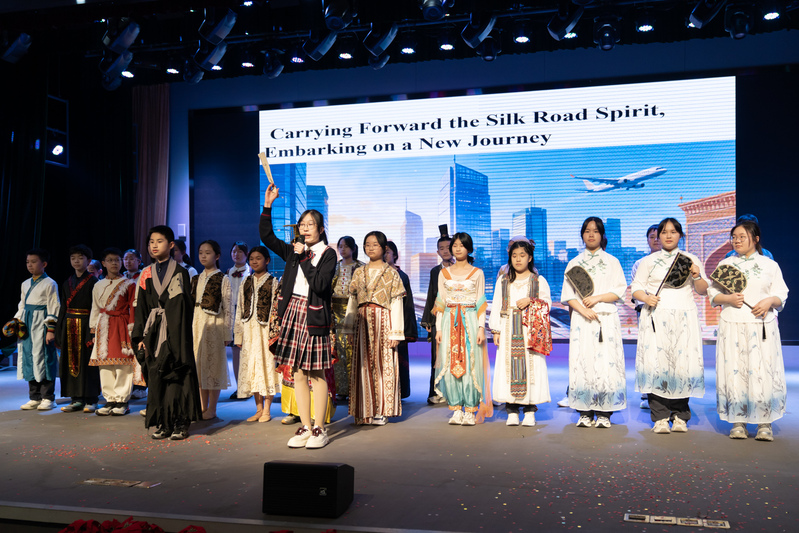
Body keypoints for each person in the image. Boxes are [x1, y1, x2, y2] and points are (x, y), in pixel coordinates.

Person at [260, 184, 337, 449]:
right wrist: (268, 205)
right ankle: (305, 425)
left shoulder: (328, 254)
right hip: (293, 311)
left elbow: (320, 285)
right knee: (299, 373)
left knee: (317, 373)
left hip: (314, 316)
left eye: (310, 224)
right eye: (302, 224)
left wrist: (303, 256)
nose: (305, 228)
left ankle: (319, 428)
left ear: (321, 229)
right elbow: (267, 237)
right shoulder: (294, 250)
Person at [708, 220, 788, 441]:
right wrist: (728, 299)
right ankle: (738, 420)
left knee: (762, 371)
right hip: (732, 324)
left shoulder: (769, 265)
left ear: (756, 238)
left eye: (742, 236)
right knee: (735, 370)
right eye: (734, 237)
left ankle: (764, 422)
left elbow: (781, 293)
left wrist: (769, 301)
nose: (737, 241)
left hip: (761, 326)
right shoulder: (726, 264)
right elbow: (713, 293)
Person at [632, 217, 708, 434]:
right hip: (656, 316)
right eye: (664, 232)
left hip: (684, 317)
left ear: (680, 235)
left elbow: (703, 290)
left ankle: (680, 415)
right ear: (658, 236)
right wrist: (646, 298)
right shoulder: (648, 261)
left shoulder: (690, 259)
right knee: (657, 364)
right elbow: (636, 288)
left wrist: (697, 275)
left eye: (673, 232)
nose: (668, 236)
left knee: (681, 365)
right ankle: (660, 417)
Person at [132, 225, 202, 440]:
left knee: (177, 374)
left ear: (171, 245)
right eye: (151, 242)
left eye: (159, 241)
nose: (154, 245)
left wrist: (175, 336)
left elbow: (181, 306)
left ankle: (180, 421)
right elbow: (141, 307)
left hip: (176, 331)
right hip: (153, 331)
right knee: (156, 375)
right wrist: (141, 337)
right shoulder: (146, 273)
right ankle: (164, 422)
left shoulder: (180, 272)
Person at [561, 217, 628, 428]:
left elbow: (620, 291)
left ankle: (605, 412)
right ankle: (584, 412)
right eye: (587, 231)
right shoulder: (574, 263)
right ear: (582, 235)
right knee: (583, 361)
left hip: (605, 319)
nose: (591, 234)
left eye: (596, 231)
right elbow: (568, 295)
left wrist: (597, 299)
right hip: (582, 320)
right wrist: (583, 310)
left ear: (602, 235)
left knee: (607, 363)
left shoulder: (612, 262)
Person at [343, 232, 405, 425]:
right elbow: (352, 301)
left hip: (383, 321)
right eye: (367, 244)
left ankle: (382, 410)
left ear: (384, 248)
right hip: (361, 322)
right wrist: (349, 329)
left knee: (383, 365)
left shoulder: (392, 273)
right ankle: (364, 410)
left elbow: (396, 303)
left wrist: (396, 332)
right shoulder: (359, 272)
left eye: (375, 244)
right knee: (362, 366)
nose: (370, 248)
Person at [490, 240, 552, 427]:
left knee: (532, 368)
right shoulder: (503, 281)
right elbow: (496, 305)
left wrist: (531, 301)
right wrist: (496, 330)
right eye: (514, 256)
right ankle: (512, 410)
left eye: (522, 255)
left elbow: (547, 304)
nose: (518, 259)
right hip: (508, 328)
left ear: (530, 258)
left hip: (529, 329)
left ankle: (530, 410)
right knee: (508, 367)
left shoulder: (538, 280)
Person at [433, 232, 492, 425]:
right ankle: (456, 408)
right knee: (450, 362)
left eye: (462, 245)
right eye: (455, 245)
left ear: (469, 248)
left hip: (470, 320)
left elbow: (481, 302)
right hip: (449, 320)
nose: (458, 249)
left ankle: (470, 409)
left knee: (470, 363)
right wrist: (438, 329)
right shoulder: (443, 273)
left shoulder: (477, 273)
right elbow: (440, 302)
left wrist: (481, 327)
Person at [6, 249, 60, 411]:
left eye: (34, 262)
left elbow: (54, 306)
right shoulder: (25, 284)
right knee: (29, 358)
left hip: (41, 323)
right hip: (27, 325)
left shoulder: (50, 283)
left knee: (44, 358)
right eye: (27, 262)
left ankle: (48, 397)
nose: (30, 265)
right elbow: (22, 305)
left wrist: (51, 329)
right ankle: (34, 396)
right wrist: (16, 322)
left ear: (44, 264)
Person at [88, 248, 140, 416]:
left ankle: (122, 401)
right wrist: (93, 329)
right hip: (103, 326)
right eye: (110, 260)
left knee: (123, 363)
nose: (114, 263)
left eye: (117, 260)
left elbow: (133, 308)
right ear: (103, 263)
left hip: (121, 324)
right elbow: (95, 308)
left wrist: (132, 328)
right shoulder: (98, 285)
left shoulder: (129, 284)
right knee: (105, 364)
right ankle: (110, 399)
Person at [234, 246, 280, 422]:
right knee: (252, 367)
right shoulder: (245, 282)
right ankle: (258, 409)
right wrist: (238, 334)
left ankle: (267, 409)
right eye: (252, 258)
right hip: (249, 329)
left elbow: (276, 310)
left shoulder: (273, 282)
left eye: (258, 258)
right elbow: (240, 309)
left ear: (267, 260)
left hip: (265, 330)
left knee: (266, 367)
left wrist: (275, 334)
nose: (254, 261)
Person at [190, 239, 232, 420]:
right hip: (196, 324)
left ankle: (212, 408)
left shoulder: (223, 278)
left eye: (208, 253)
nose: (203, 256)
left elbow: (228, 307)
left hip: (214, 324)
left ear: (217, 256)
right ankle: (202, 406)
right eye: (201, 253)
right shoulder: (195, 278)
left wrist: (227, 332)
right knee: (198, 366)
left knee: (212, 366)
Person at [56, 244, 100, 413]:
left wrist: (93, 330)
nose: (76, 261)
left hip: (86, 323)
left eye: (80, 258)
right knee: (70, 362)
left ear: (89, 260)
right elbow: (62, 307)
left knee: (88, 362)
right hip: (69, 324)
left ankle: (91, 399)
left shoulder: (94, 282)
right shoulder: (67, 282)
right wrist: (59, 328)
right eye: (73, 258)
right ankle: (76, 398)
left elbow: (95, 308)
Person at [421, 227, 453, 405]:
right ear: (437, 252)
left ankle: (456, 391)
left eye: (449, 247)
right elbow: (431, 295)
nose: (445, 251)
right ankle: (437, 390)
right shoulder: (435, 271)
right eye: (442, 248)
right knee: (438, 355)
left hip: (457, 315)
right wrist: (429, 319)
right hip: (439, 316)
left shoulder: (461, 269)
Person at [631, 224, 661, 409]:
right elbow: (636, 289)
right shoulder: (640, 263)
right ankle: (647, 393)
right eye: (652, 237)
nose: (656, 240)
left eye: (659, 235)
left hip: (668, 313)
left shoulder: (673, 262)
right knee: (647, 351)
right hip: (646, 312)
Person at [331, 236, 364, 401]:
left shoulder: (360, 267)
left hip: (354, 312)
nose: (342, 249)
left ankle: (355, 388)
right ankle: (341, 389)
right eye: (340, 246)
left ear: (353, 248)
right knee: (338, 349)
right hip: (336, 311)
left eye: (346, 246)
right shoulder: (334, 266)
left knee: (353, 348)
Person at [385, 240, 418, 399]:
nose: (384, 255)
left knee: (399, 359)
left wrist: (407, 330)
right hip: (380, 323)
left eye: (388, 252)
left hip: (398, 324)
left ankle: (399, 392)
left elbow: (408, 305)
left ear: (395, 255)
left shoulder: (402, 276)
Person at [228, 241, 250, 400]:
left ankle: (249, 386)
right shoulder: (228, 272)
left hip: (247, 314)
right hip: (232, 313)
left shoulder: (251, 272)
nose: (236, 254)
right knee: (236, 350)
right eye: (234, 251)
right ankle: (239, 387)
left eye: (240, 251)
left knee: (248, 351)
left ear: (246, 254)